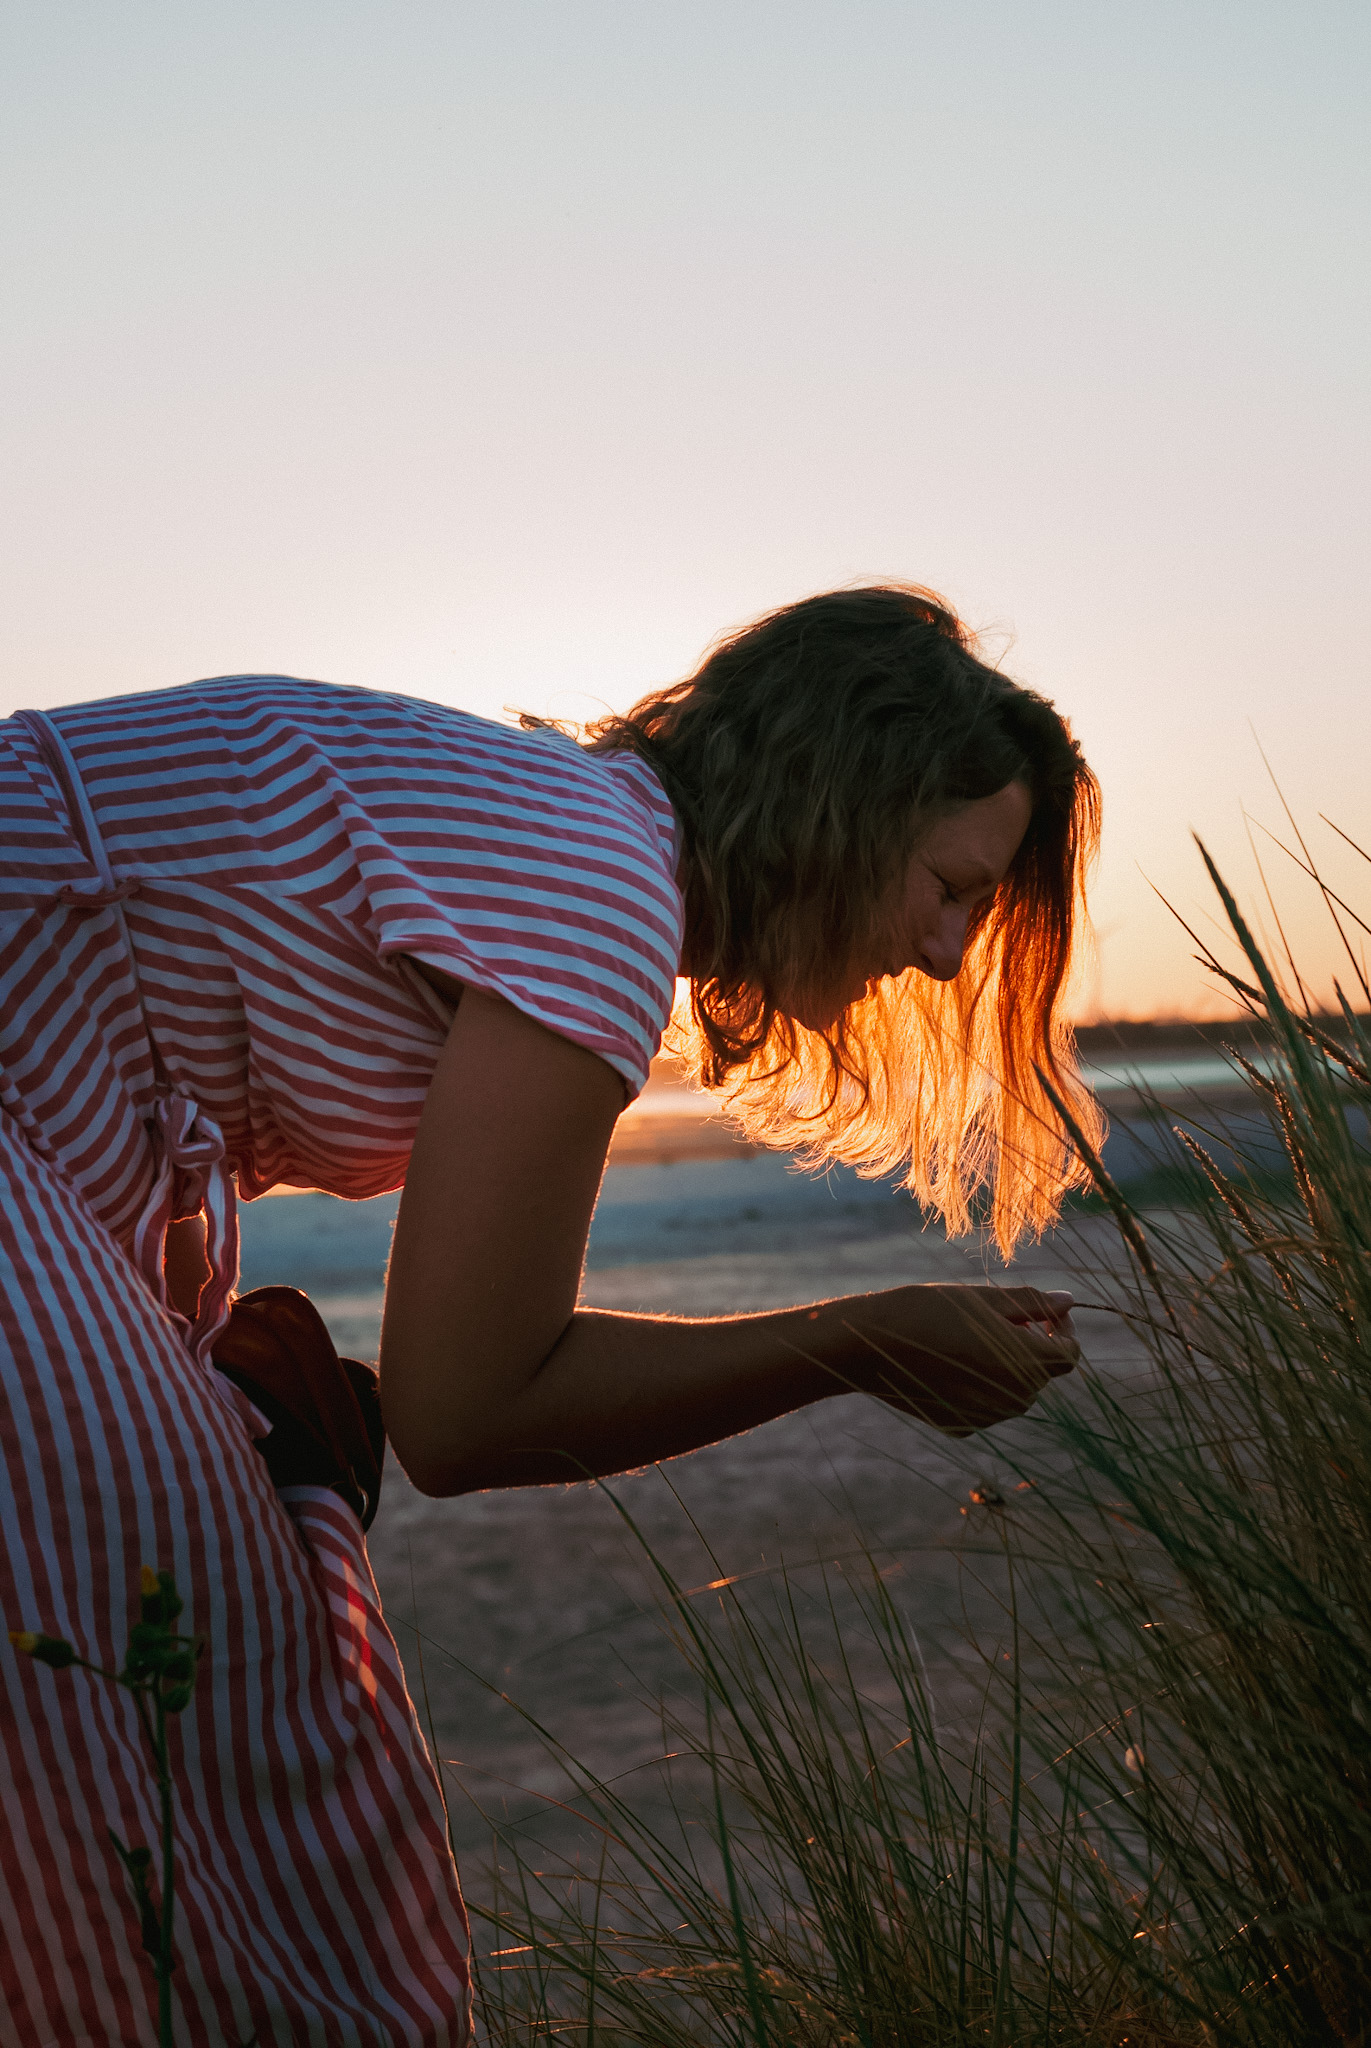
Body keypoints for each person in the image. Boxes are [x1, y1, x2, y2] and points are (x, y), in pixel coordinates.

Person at [0, 583, 1096, 2044]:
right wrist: (862, 1342)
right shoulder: (598, 884)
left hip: (64, 1170)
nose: (951, 956)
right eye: (950, 888)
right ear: (844, 803)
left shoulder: (562, 831)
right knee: (191, 1686)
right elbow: (466, 1411)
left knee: (187, 1659)